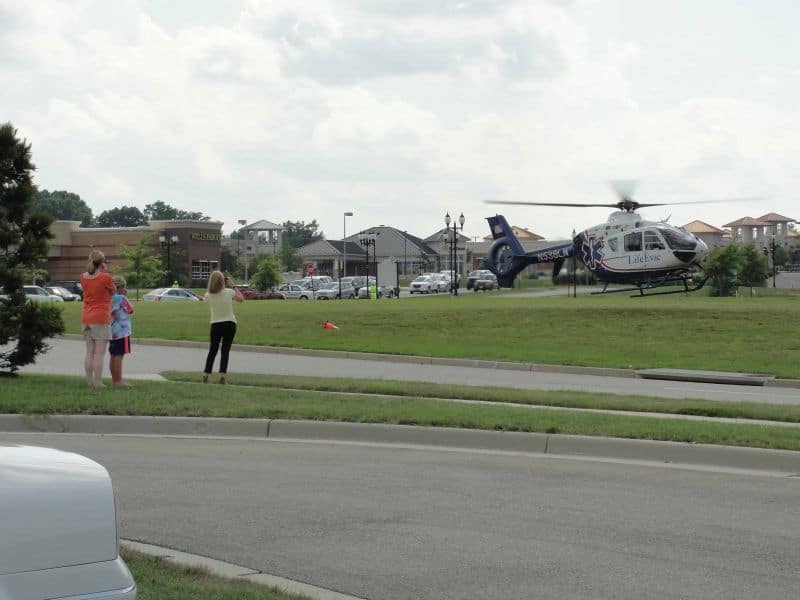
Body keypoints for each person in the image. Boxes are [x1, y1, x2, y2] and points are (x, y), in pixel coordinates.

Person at [80, 250, 115, 388]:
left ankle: (89, 381)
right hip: (100, 317)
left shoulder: (82, 277)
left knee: (89, 351)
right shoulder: (105, 277)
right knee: (99, 353)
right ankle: (98, 381)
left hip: (86, 317)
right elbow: (113, 291)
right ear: (102, 262)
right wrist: (105, 272)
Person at [202, 271, 243, 384]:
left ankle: (206, 373)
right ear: (222, 281)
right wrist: (233, 286)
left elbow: (207, 298)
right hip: (230, 323)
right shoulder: (229, 292)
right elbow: (241, 299)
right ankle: (222, 376)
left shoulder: (208, 295)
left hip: (215, 324)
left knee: (213, 350)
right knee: (225, 350)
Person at [109, 275, 134, 387]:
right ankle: (118, 381)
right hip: (122, 332)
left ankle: (115, 380)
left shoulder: (109, 298)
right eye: (124, 287)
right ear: (120, 287)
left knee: (113, 355)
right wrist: (125, 296)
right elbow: (131, 309)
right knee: (119, 355)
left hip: (112, 332)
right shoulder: (122, 298)